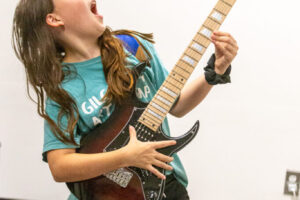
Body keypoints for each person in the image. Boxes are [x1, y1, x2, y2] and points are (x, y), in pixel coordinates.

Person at [12, 0, 238, 199]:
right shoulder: (62, 88)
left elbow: (177, 106)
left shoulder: (134, 47)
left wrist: (214, 73)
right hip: (107, 195)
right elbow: (60, 167)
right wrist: (125, 157)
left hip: (165, 186)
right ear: (54, 18)